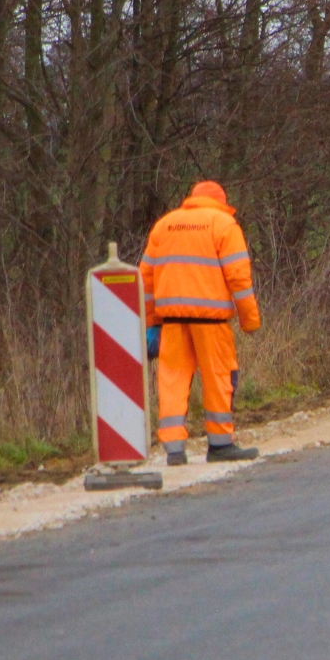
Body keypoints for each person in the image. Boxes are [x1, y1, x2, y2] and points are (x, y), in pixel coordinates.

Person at [139, 180, 261, 465]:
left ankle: (174, 450)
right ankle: (220, 445)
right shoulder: (224, 225)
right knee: (219, 378)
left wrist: (152, 321)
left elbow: (145, 278)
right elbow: (239, 278)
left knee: (172, 382)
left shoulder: (164, 225)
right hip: (211, 323)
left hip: (172, 322)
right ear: (221, 203)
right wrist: (250, 320)